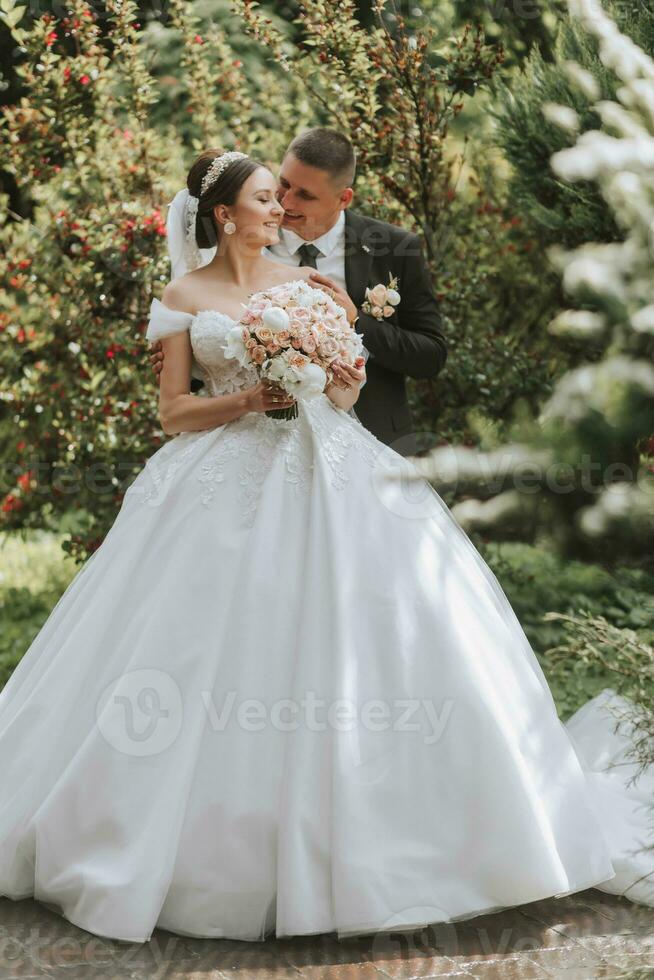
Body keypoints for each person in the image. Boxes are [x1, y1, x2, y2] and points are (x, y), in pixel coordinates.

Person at [0, 147, 651, 947]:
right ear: (223, 214)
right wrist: (250, 394)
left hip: (335, 468)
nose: (280, 212)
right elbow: (173, 412)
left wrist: (328, 356)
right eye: (266, 200)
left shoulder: (309, 288)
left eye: (282, 198)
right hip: (220, 478)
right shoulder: (182, 295)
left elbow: (344, 397)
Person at [148, 128, 448, 457]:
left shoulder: (391, 249)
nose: (284, 204)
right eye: (282, 186)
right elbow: (187, 389)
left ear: (343, 199)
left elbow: (430, 355)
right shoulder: (218, 266)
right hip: (234, 446)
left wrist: (357, 323)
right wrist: (185, 357)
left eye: (304, 195)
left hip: (356, 442)